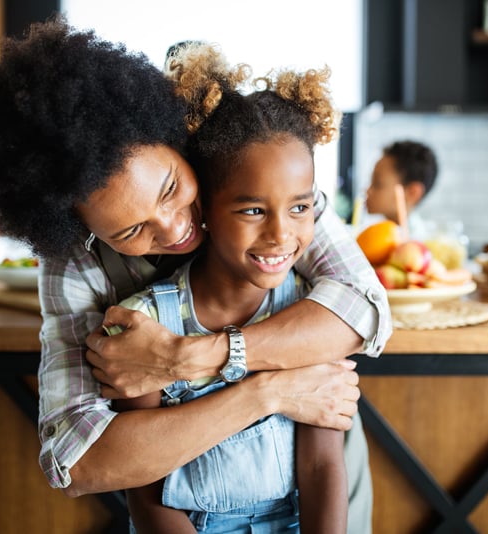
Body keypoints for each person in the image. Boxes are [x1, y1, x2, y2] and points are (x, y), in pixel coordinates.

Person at [0, 16, 391, 533]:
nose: (175, 226)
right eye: (131, 229)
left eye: (169, 189)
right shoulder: (75, 266)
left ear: (176, 141)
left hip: (316, 493)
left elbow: (364, 309)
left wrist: (187, 357)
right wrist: (266, 393)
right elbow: (79, 461)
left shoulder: (258, 186)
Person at [112, 42, 347, 533]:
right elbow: (146, 490)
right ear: (205, 213)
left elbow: (322, 466)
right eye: (253, 211)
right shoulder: (145, 326)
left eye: (300, 208)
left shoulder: (308, 316)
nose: (282, 235)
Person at [364, 140, 438, 238]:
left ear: (412, 193)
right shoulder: (371, 234)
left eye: (378, 184)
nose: (367, 191)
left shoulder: (416, 244)